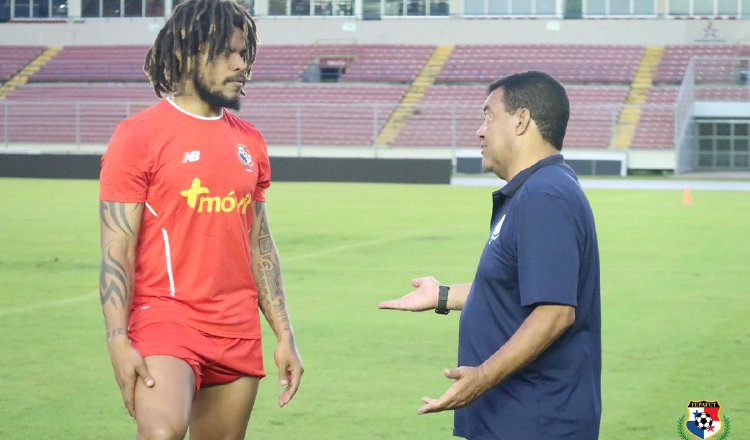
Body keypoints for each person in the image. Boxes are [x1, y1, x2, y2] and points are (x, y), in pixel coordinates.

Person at [97, 0, 303, 438]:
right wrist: (117, 339)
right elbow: (117, 249)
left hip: (237, 328)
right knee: (161, 432)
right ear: (190, 52)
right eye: (228, 52)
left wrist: (284, 334)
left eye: (245, 53)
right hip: (165, 319)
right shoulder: (138, 136)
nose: (241, 64)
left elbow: (259, 244)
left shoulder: (251, 141)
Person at [379, 71, 601, 439]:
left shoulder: (544, 196)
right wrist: (443, 295)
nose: (479, 131)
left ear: (521, 120)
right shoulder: (536, 190)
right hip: (515, 418)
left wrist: (481, 377)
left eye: (487, 116)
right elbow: (519, 287)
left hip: (534, 422)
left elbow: (555, 312)